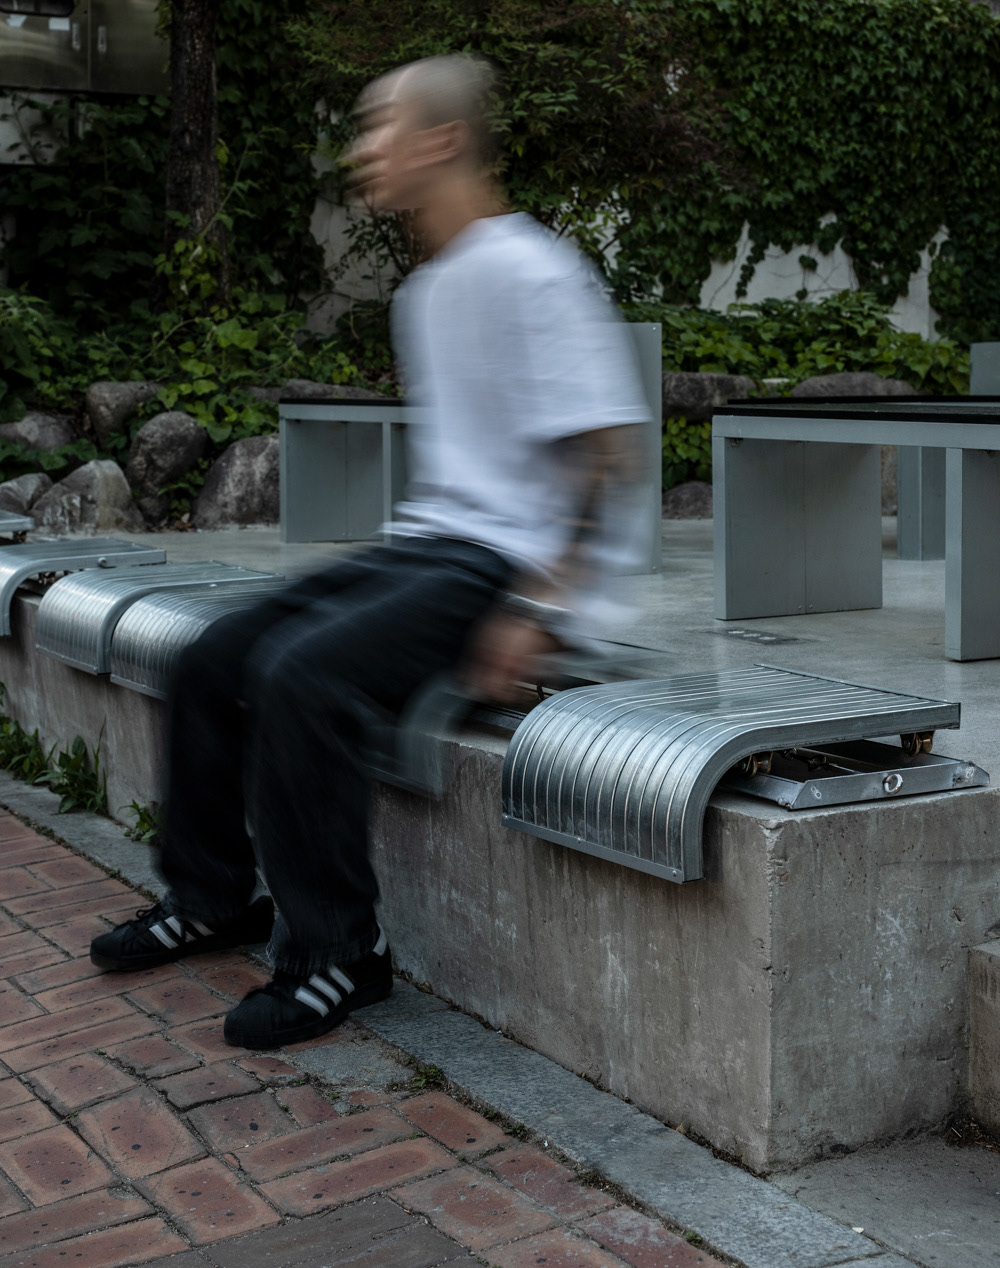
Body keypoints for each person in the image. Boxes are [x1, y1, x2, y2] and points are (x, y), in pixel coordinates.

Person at [89, 53, 649, 1050]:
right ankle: (212, 896)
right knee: (215, 655)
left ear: (442, 140)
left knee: (302, 675)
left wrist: (540, 609)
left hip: (498, 564)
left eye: (378, 126)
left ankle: (340, 952)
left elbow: (610, 452)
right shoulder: (426, 293)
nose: (361, 151)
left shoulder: (535, 270)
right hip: (427, 547)